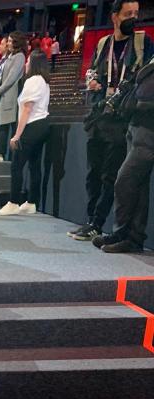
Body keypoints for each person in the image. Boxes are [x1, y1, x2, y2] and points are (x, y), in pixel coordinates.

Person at [68, 0, 152, 242]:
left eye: (136, 13)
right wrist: (93, 82)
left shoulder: (142, 42)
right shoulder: (104, 43)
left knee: (110, 174)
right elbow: (93, 70)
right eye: (128, 14)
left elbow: (145, 78)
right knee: (93, 173)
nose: (133, 18)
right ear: (114, 16)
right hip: (100, 113)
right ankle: (91, 220)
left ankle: (97, 223)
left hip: (123, 117)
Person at [93, 55, 154, 252]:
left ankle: (124, 233)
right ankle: (132, 238)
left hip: (149, 131)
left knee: (124, 180)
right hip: (136, 126)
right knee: (139, 187)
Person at [0, 50, 51, 216]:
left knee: (17, 165)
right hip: (43, 125)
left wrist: (17, 135)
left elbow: (27, 110)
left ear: (33, 64)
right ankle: (32, 202)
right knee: (34, 165)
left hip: (33, 125)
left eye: (28, 61)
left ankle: (13, 202)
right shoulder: (44, 81)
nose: (25, 64)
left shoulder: (33, 81)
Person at [0, 31, 27, 163]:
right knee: (2, 125)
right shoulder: (10, 56)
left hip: (11, 97)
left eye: (9, 41)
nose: (7, 43)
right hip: (4, 97)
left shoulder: (19, 57)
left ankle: (3, 153)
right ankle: (0, 153)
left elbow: (10, 79)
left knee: (7, 126)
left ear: (16, 42)